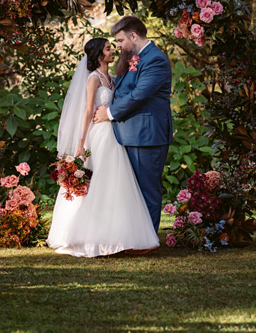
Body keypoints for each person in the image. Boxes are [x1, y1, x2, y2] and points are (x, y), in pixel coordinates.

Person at [47, 37, 159, 257]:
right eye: (108, 49)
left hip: (114, 133)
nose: (112, 52)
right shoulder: (93, 78)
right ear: (99, 55)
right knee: (99, 180)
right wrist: (80, 143)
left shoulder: (113, 77)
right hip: (98, 135)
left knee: (116, 181)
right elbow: (88, 110)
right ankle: (89, 232)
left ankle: (117, 233)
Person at [93, 16, 173, 233]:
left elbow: (140, 94)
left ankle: (148, 240)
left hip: (146, 135)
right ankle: (136, 237)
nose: (117, 46)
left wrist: (109, 113)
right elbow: (124, 87)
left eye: (119, 41)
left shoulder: (155, 59)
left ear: (133, 36)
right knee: (132, 191)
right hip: (130, 133)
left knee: (147, 190)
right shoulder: (136, 57)